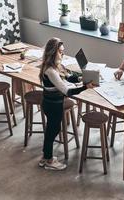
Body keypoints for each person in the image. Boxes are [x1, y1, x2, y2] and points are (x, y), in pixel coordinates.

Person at [38, 37, 94, 170]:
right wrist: (86, 87)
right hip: (52, 105)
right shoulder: (50, 71)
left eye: (63, 51)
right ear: (53, 52)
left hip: (53, 103)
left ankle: (45, 158)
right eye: (60, 52)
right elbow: (67, 91)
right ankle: (49, 161)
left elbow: (69, 77)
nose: (62, 54)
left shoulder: (57, 66)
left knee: (51, 130)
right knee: (53, 130)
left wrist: (82, 78)